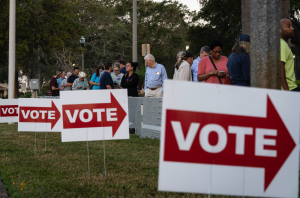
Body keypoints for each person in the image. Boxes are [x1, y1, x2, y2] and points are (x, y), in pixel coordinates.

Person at [280, 18, 299, 91]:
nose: (292, 28)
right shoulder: (282, 44)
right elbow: (280, 68)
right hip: (289, 88)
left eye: (292, 26)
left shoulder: (282, 44)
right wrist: (287, 93)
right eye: (288, 26)